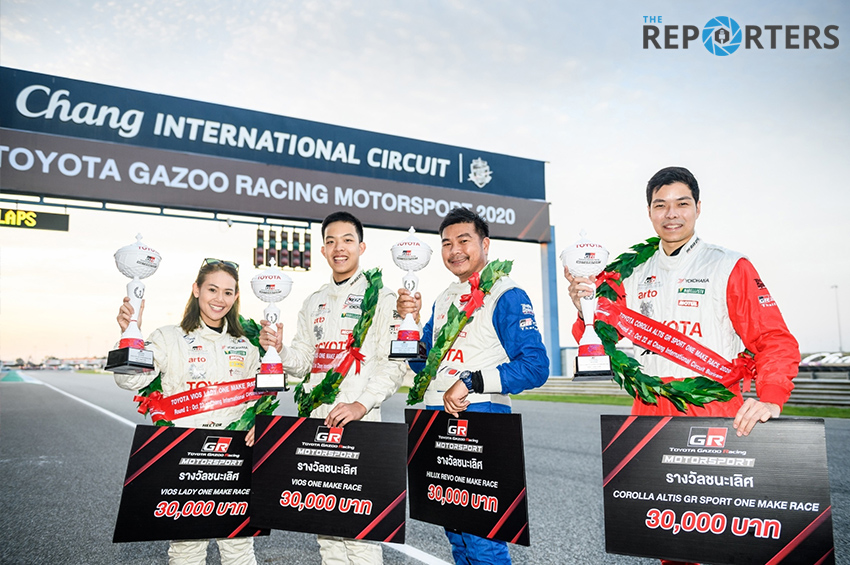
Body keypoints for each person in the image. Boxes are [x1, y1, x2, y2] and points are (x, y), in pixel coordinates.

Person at [566, 166, 799, 565]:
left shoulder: (729, 265)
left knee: (722, 544)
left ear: (698, 208)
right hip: (649, 409)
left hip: (713, 409)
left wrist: (771, 396)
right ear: (649, 212)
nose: (671, 214)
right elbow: (599, 339)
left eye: (682, 203)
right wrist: (583, 308)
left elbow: (774, 339)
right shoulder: (628, 271)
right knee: (667, 544)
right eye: (661, 205)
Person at [396, 207, 550, 565]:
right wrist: (407, 327)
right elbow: (424, 365)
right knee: (455, 530)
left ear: (485, 244)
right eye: (446, 243)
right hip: (436, 417)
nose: (455, 250)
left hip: (481, 415)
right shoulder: (444, 297)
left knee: (482, 538)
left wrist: (472, 381)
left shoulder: (507, 293)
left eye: (463, 241)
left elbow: (535, 367)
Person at [260, 211, 406, 565]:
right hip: (319, 423)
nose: (339, 248)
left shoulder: (384, 298)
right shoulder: (313, 301)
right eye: (331, 241)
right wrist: (278, 350)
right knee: (326, 532)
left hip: (361, 422)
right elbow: (303, 362)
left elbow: (394, 364)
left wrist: (361, 404)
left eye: (347, 240)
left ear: (361, 247)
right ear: (323, 250)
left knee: (361, 536)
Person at [115, 258, 261, 565]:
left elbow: (258, 398)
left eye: (228, 292)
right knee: (186, 551)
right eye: (212, 289)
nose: (219, 299)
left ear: (235, 297)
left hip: (234, 457)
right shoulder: (168, 337)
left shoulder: (246, 345)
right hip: (185, 457)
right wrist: (130, 335)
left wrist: (256, 422)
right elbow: (129, 380)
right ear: (196, 290)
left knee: (239, 549)